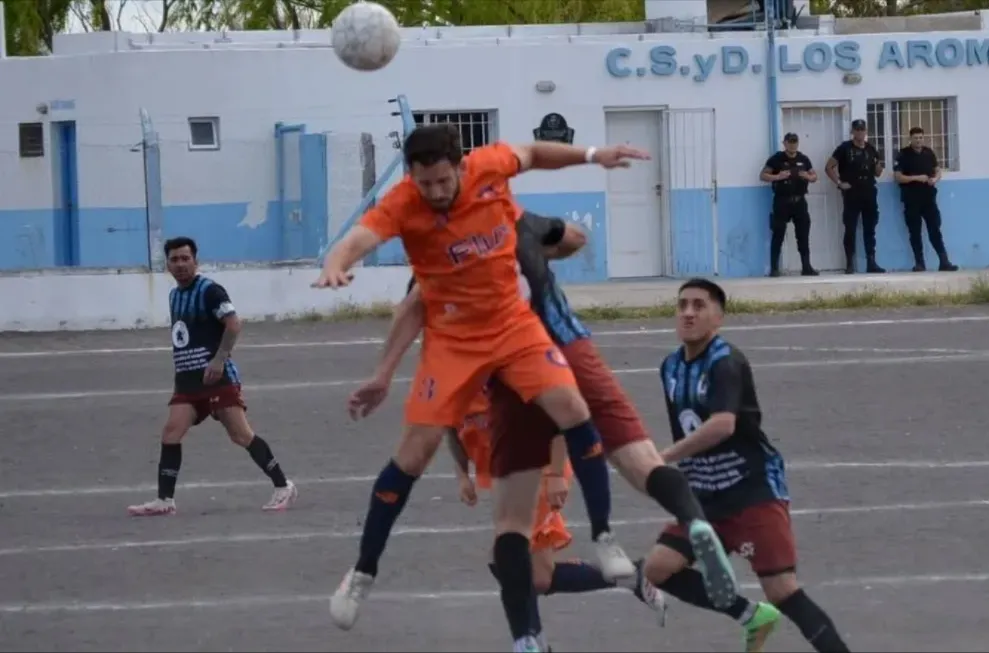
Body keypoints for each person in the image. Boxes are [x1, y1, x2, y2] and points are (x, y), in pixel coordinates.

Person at [314, 125, 647, 645]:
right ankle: (362, 573)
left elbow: (534, 153)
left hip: (512, 326)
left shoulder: (491, 166)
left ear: (460, 167)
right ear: (412, 178)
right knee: (412, 454)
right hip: (452, 341)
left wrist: (591, 154)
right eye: (426, 184)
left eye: (444, 181)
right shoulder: (404, 203)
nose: (437, 192)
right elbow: (363, 237)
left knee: (572, 407)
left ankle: (604, 537)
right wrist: (336, 262)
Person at [362, 212, 751, 652]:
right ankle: (649, 558)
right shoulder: (463, 359)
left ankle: (544, 632)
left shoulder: (499, 340)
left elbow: (560, 411)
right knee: (536, 570)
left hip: (536, 466)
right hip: (509, 462)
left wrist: (554, 472)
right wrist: (462, 473)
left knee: (514, 560)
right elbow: (451, 423)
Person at [641, 278, 851, 653]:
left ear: (717, 318)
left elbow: (723, 425)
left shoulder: (726, 362)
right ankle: (750, 615)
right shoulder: (670, 366)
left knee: (783, 590)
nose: (688, 313)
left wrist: (664, 457)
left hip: (751, 490)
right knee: (657, 569)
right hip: (703, 494)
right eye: (682, 305)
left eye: (699, 306)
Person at [447, 386, 671, 652]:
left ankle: (533, 643)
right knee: (538, 577)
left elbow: (557, 418)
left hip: (535, 472)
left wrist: (554, 475)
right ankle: (631, 577)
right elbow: (449, 428)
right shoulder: (452, 379)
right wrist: (462, 475)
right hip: (508, 479)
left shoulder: (504, 376)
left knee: (506, 559)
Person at [127, 237, 297, 517]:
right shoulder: (175, 295)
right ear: (167, 264)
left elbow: (233, 324)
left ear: (196, 261)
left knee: (241, 435)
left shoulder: (210, 291)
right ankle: (165, 500)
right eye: (174, 259)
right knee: (171, 432)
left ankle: (283, 485)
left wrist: (219, 360)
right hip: (188, 381)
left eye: (185, 258)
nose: (180, 264)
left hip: (217, 379)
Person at [893, 126, 958, 273]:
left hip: (928, 199)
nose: (918, 140)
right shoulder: (903, 154)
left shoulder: (929, 153)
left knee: (935, 230)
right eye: (915, 138)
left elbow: (937, 170)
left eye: (921, 137)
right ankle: (919, 263)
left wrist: (935, 179)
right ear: (910, 139)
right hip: (911, 199)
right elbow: (897, 177)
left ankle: (944, 261)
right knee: (915, 232)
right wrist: (916, 178)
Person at [826, 119, 886, 274]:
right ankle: (849, 264)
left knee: (870, 228)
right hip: (852, 193)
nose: (860, 132)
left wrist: (879, 166)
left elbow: (877, 173)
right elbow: (829, 167)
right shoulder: (845, 148)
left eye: (862, 130)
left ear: (866, 131)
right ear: (852, 131)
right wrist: (839, 183)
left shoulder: (871, 149)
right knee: (850, 228)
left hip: (869, 192)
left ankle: (871, 262)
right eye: (857, 130)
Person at [760, 133, 819, 277]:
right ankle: (774, 268)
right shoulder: (777, 159)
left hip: (799, 201)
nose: (792, 145)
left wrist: (808, 177)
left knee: (803, 235)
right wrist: (777, 176)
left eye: (795, 142)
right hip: (782, 201)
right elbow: (763, 175)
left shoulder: (803, 159)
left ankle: (806, 267)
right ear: (784, 143)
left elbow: (815, 176)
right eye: (790, 142)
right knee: (778, 234)